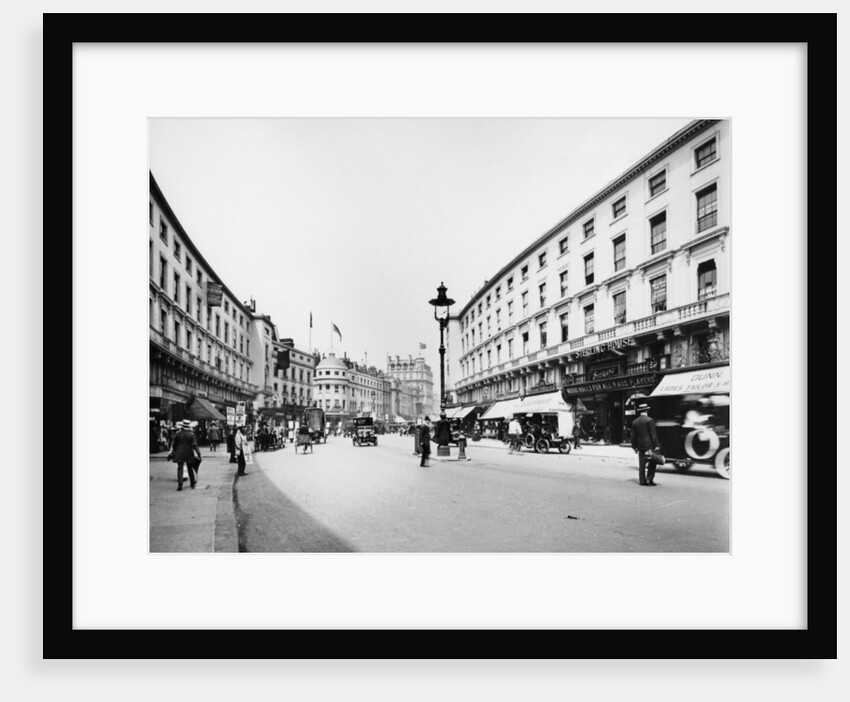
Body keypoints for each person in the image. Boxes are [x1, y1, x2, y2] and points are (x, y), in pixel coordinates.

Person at [631, 402, 662, 486]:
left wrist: (634, 447)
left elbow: (633, 436)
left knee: (642, 463)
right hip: (649, 445)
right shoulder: (650, 420)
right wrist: (657, 446)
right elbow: (653, 435)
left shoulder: (635, 422)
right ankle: (649, 480)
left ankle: (642, 481)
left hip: (640, 446)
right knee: (652, 462)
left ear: (640, 411)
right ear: (646, 410)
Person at [167, 419, 201, 491]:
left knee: (180, 468)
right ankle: (192, 482)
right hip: (188, 453)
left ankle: (180, 484)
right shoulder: (191, 434)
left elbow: (174, 444)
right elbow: (195, 445)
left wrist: (173, 452)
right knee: (190, 468)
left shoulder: (178, 434)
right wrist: (199, 453)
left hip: (179, 453)